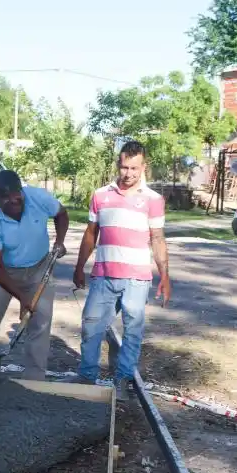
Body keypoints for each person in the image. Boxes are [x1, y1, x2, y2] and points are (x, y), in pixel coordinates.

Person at [72, 140, 171, 399]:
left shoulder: (153, 200)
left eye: (134, 168)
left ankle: (123, 381)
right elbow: (91, 233)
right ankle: (87, 376)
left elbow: (158, 239)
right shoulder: (100, 195)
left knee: (132, 331)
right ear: (118, 164)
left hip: (137, 279)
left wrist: (165, 276)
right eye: (125, 167)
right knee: (91, 326)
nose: (128, 173)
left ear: (144, 167)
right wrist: (79, 266)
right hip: (103, 275)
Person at [0, 169, 69, 381]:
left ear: (21, 190)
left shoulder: (39, 197)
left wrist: (60, 241)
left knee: (40, 324)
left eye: (16, 195)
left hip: (39, 267)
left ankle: (34, 379)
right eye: (5, 198)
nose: (13, 200)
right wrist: (22, 297)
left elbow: (61, 214)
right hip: (3, 271)